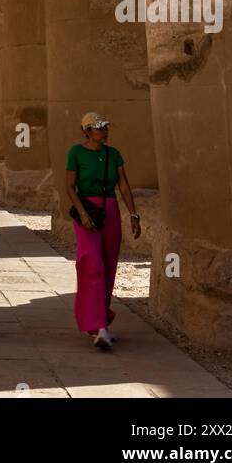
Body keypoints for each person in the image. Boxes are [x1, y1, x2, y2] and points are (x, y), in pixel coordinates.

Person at [66, 112, 141, 350]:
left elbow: (124, 186)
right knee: (92, 265)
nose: (104, 132)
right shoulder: (76, 153)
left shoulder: (113, 154)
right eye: (99, 128)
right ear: (87, 130)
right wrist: (83, 214)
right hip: (86, 209)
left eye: (105, 127)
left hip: (109, 210)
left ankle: (100, 324)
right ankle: (97, 324)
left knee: (108, 266)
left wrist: (133, 214)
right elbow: (69, 187)